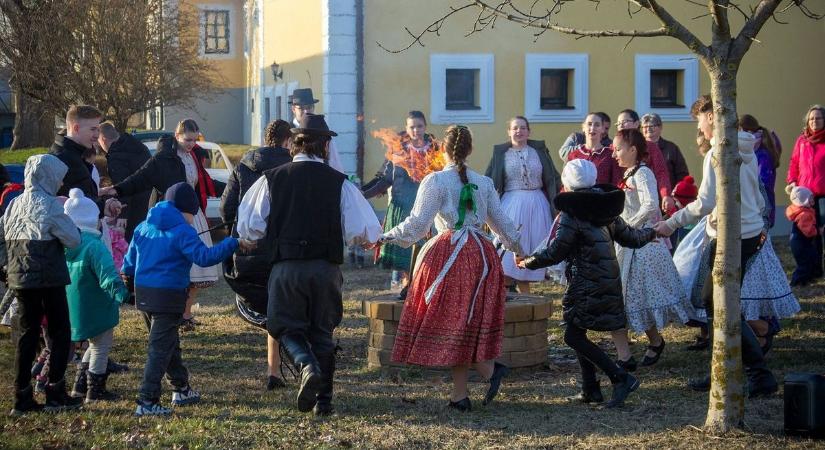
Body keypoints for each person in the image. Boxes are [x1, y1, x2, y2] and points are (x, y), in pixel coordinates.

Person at [236, 113, 381, 416]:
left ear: (295, 144)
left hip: (287, 267)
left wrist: (249, 239)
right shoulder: (340, 183)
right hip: (325, 268)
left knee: (282, 325)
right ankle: (324, 402)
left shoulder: (272, 178)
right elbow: (365, 231)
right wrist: (363, 241)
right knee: (322, 331)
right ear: (325, 147)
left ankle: (305, 365)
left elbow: (249, 225)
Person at [383, 125, 523, 412]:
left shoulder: (435, 181)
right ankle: (467, 389)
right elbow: (503, 224)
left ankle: (483, 375)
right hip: (482, 257)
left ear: (442, 150)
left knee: (453, 323)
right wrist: (520, 250)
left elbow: (417, 225)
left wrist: (385, 236)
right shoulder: (483, 182)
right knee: (465, 323)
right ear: (470, 150)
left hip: (449, 256)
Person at [654, 95, 778, 398]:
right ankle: (723, 371)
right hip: (749, 233)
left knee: (719, 304)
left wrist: (669, 224)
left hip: (730, 235)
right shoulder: (744, 144)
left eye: (699, 119)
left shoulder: (718, 151)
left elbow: (705, 202)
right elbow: (759, 197)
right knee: (718, 304)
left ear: (711, 116)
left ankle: (758, 375)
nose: (700, 126)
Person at [517, 159, 655, 408]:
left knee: (571, 335)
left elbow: (556, 251)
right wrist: (653, 232)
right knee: (576, 330)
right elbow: (631, 237)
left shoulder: (572, 213)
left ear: (567, 184)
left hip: (585, 282)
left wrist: (527, 263)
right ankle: (590, 389)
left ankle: (620, 377)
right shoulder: (605, 207)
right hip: (607, 279)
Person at [123, 182, 252, 416]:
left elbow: (129, 263)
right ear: (185, 209)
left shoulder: (143, 226)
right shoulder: (183, 230)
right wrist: (232, 243)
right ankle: (147, 400)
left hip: (143, 294)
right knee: (159, 349)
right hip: (169, 295)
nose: (194, 218)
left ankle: (181, 388)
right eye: (193, 214)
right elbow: (204, 257)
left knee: (167, 342)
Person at [101, 119, 217, 329]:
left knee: (197, 271)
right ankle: (173, 315)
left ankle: (185, 313)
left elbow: (204, 183)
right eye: (187, 139)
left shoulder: (195, 156)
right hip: (171, 217)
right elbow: (141, 178)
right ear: (177, 135)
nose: (191, 143)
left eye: (194, 139)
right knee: (177, 268)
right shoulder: (165, 157)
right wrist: (116, 190)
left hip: (194, 215)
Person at [0, 154, 83, 414]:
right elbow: (73, 239)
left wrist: (7, 265)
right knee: (60, 333)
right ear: (49, 177)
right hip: (49, 276)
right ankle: (55, 391)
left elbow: (1, 239)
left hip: (19, 277)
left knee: (27, 335)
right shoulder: (49, 205)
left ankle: (21, 397)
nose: (60, 184)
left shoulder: (14, 204)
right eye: (58, 179)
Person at [611, 129, 693, 368]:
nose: (615, 154)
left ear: (633, 150)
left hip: (643, 243)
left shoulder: (643, 173)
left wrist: (628, 227)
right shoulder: (629, 173)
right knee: (630, 296)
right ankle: (641, 346)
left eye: (618, 149)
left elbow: (650, 205)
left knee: (640, 294)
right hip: (629, 243)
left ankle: (654, 342)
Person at [220, 119, 293, 391]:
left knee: (268, 306)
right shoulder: (291, 167)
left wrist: (238, 236)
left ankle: (274, 371)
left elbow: (228, 206)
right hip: (282, 247)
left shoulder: (244, 165)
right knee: (283, 305)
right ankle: (289, 364)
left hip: (250, 246)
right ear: (287, 141)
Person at [362, 111, 441, 298]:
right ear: (406, 129)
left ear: (425, 127)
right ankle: (409, 285)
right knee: (404, 253)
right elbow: (384, 180)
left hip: (426, 207)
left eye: (419, 126)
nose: (416, 130)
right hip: (401, 206)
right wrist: (362, 195)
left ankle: (418, 286)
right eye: (412, 126)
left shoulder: (435, 150)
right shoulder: (398, 149)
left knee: (425, 251)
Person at [62, 189, 130, 403]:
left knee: (93, 343)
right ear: (94, 220)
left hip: (73, 305)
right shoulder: (95, 246)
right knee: (101, 345)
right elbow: (108, 277)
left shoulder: (63, 246)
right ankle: (95, 389)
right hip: (97, 304)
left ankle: (80, 385)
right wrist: (123, 294)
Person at [485, 116, 560, 293]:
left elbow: (552, 177)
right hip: (511, 203)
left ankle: (523, 290)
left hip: (537, 204)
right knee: (510, 246)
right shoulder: (501, 154)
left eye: (523, 128)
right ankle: (510, 290)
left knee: (532, 245)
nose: (519, 131)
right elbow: (488, 180)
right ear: (509, 132)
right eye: (515, 128)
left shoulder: (539, 151)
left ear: (529, 131)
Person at [786, 105, 825, 280]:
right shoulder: (802, 141)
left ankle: (817, 271)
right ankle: (808, 271)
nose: (814, 121)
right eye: (811, 119)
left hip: (823, 198)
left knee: (820, 236)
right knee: (799, 237)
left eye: (818, 118)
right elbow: (794, 163)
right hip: (804, 198)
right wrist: (792, 182)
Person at [97, 122, 152, 241]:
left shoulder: (116, 156)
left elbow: (122, 185)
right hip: (149, 200)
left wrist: (123, 214)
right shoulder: (138, 146)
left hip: (133, 209)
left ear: (103, 139)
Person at [615, 110, 674, 213]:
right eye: (618, 123)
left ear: (637, 124)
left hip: (645, 200)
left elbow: (661, 173)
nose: (621, 125)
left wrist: (666, 195)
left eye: (625, 121)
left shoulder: (650, 146)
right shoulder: (614, 148)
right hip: (623, 204)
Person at [739, 114, 782, 229]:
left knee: (762, 246)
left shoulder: (762, 154)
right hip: (754, 210)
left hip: (760, 212)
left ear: (746, 131)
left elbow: (764, 184)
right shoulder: (752, 150)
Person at [290, 88, 344, 173]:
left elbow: (335, 164)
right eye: (301, 108)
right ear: (293, 109)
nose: (306, 111)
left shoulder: (323, 132)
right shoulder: (287, 132)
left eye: (309, 107)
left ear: (313, 107)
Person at [567, 113, 621, 185]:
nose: (592, 128)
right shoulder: (574, 155)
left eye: (597, 125)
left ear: (603, 129)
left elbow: (616, 183)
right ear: (583, 127)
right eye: (589, 124)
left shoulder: (610, 155)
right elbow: (567, 182)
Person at [640, 113, 689, 191]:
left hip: (668, 194)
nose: (648, 129)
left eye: (652, 126)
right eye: (645, 126)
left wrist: (678, 192)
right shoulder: (638, 148)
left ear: (660, 127)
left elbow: (682, 173)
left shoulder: (671, 148)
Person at [787, 186, 820, 286]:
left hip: (802, 243)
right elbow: (808, 231)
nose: (813, 199)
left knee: (811, 259)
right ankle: (796, 281)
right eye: (810, 198)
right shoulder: (804, 214)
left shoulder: (804, 211)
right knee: (804, 263)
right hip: (800, 244)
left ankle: (806, 279)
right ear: (803, 200)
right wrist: (818, 231)